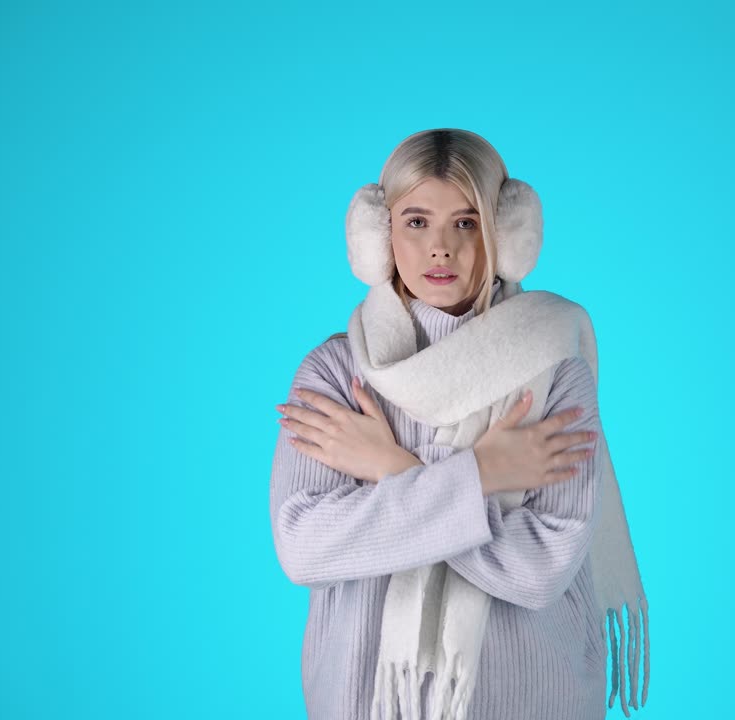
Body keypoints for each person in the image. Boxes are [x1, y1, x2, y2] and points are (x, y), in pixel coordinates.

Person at [270, 128, 647, 720]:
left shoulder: (554, 371)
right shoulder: (335, 373)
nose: (440, 248)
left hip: (533, 700)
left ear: (504, 233)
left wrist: (391, 467)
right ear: (379, 235)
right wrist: (482, 475)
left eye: (465, 223)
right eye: (416, 222)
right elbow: (306, 547)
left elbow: (540, 571)